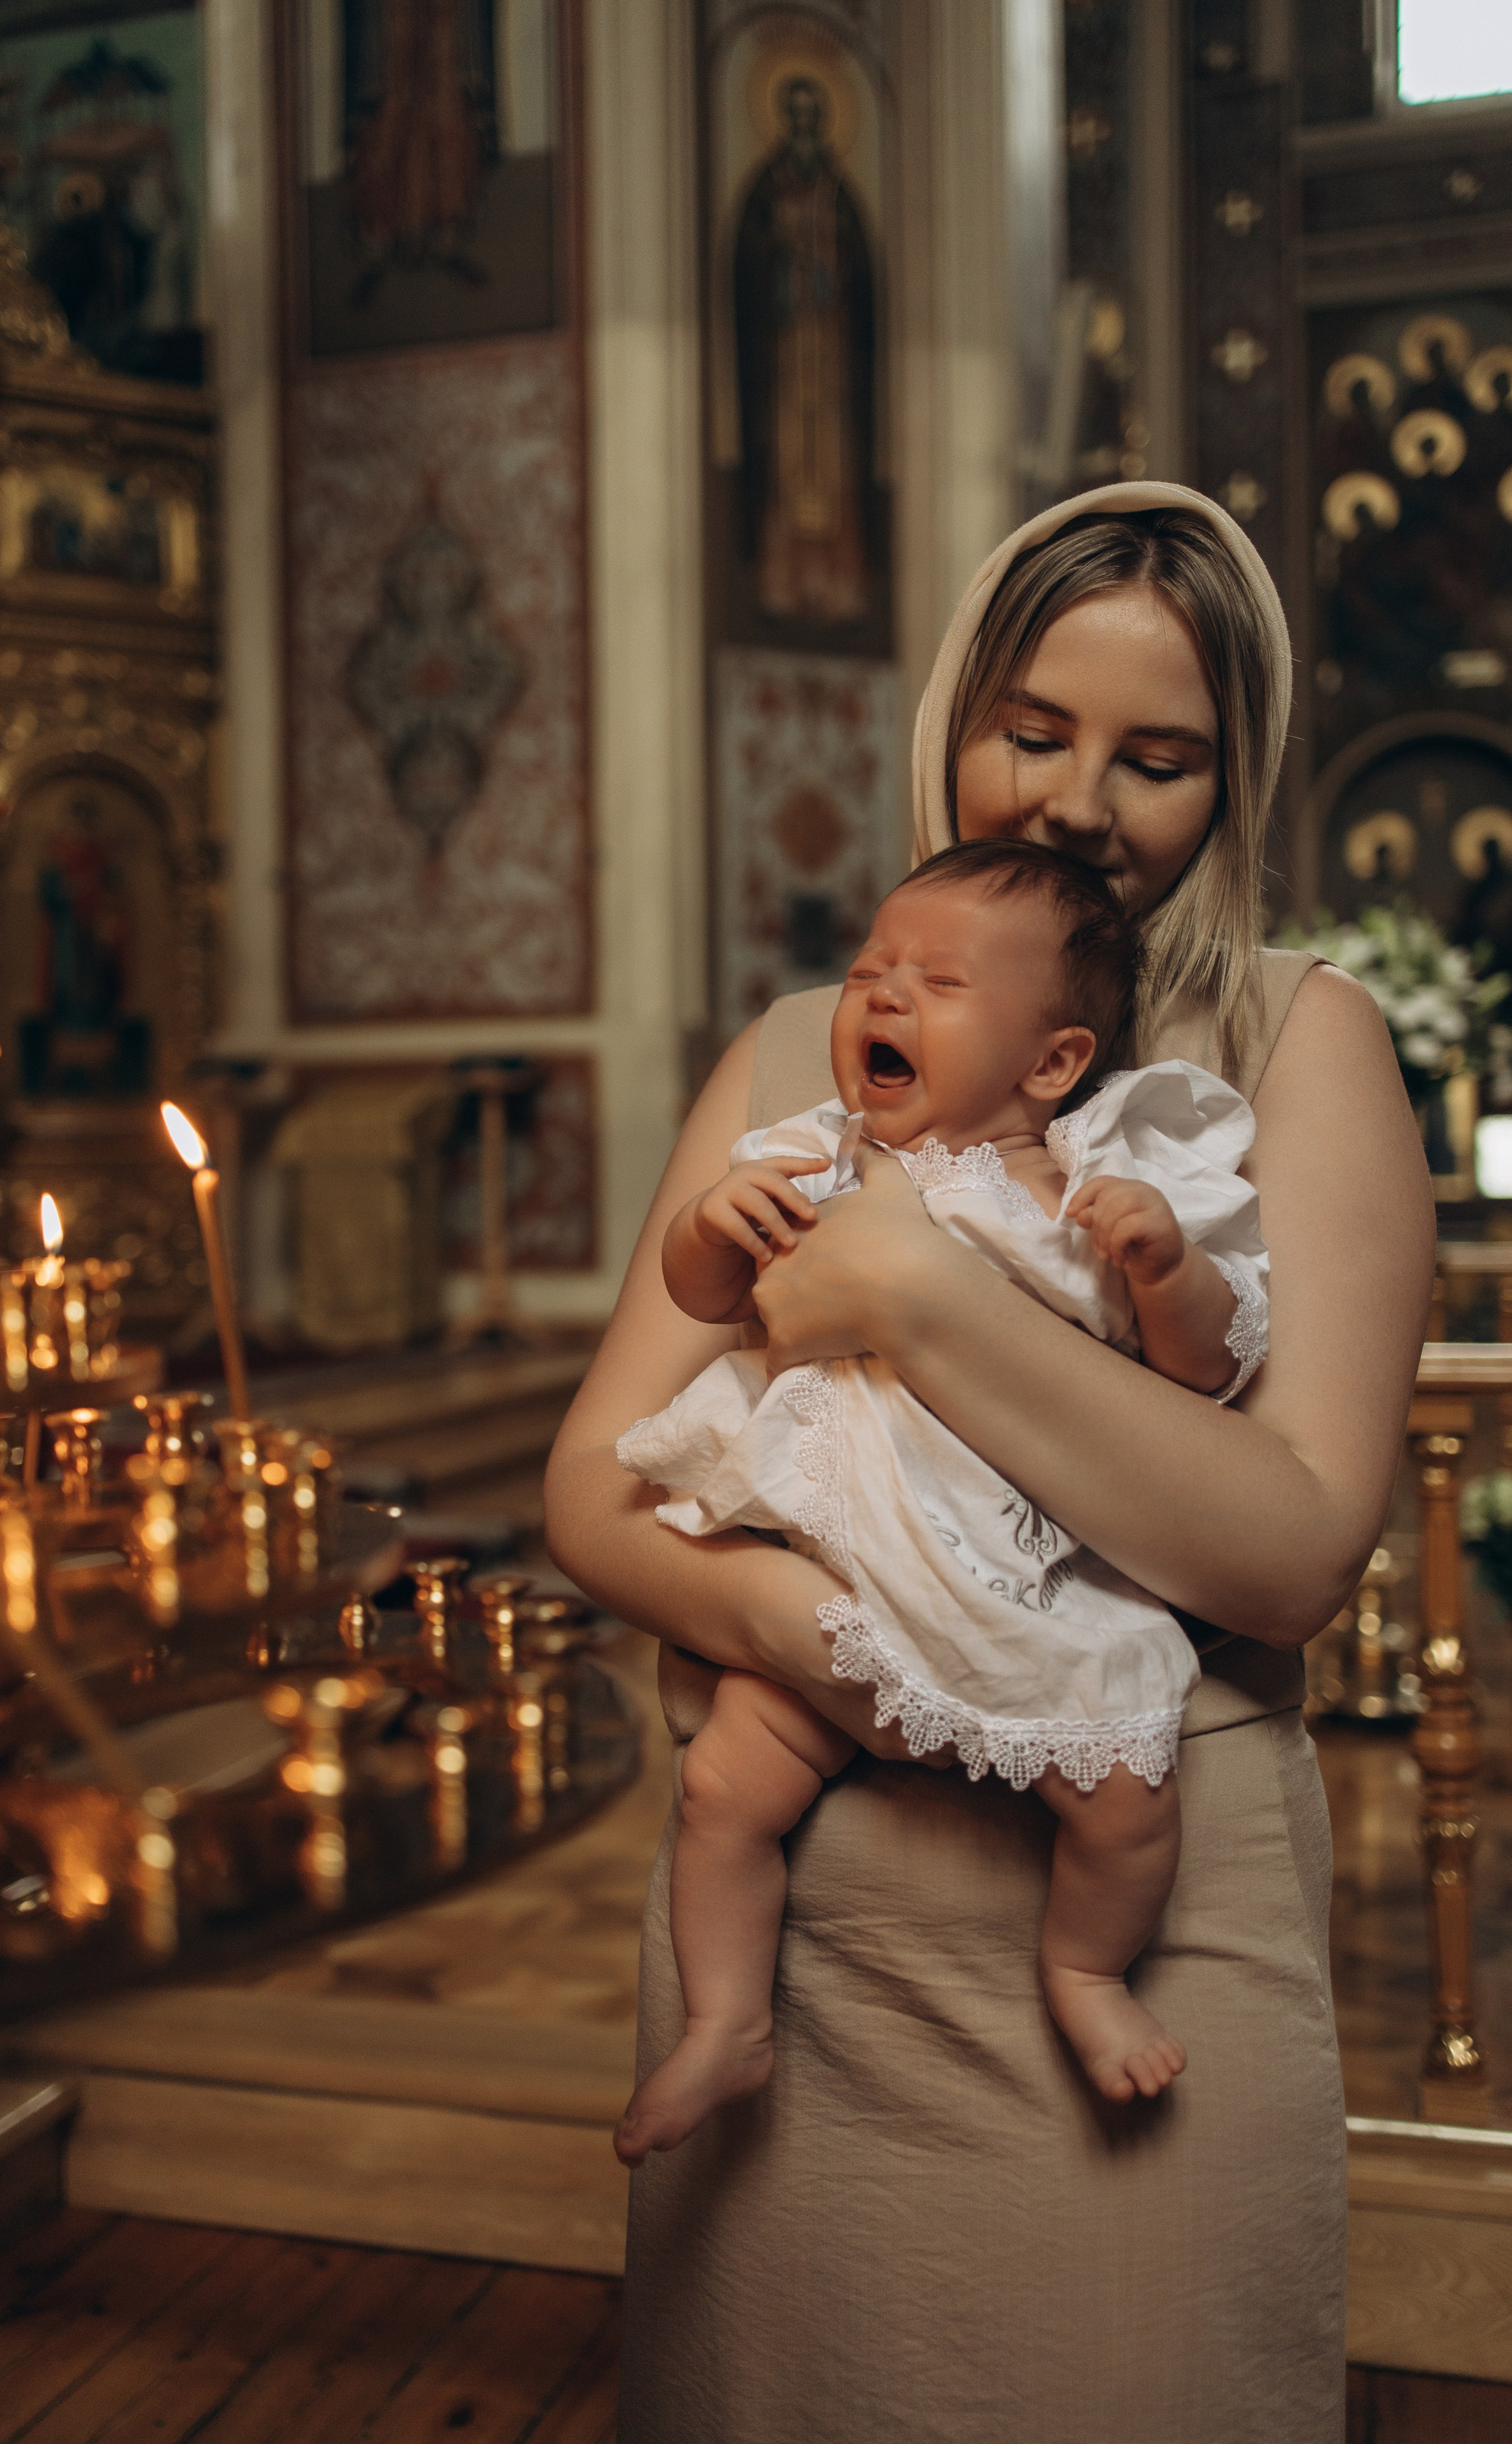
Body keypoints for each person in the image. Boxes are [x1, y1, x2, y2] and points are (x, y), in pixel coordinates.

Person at [545, 482, 1434, 2444]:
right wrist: (837, 1644)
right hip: (800, 1905)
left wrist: (929, 1302)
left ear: (1236, 777)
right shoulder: (803, 1049)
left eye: (1158, 760)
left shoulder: (1298, 1047)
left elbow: (1295, 1553)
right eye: (1031, 732)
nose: (1078, 803)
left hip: (1141, 1911)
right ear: (955, 715)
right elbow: (595, 1487)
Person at [614, 840, 1273, 2162]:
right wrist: (709, 1222)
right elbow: (701, 1293)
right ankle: (726, 2021)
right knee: (726, 1790)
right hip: (838, 1577)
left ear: (1052, 1061)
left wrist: (1164, 1271)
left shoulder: (1086, 1190)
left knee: (1125, 1798)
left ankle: (1084, 1971)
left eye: (939, 981)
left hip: (1011, 1580)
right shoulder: (813, 1153)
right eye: (872, 970)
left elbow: (1205, 1374)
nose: (884, 995)